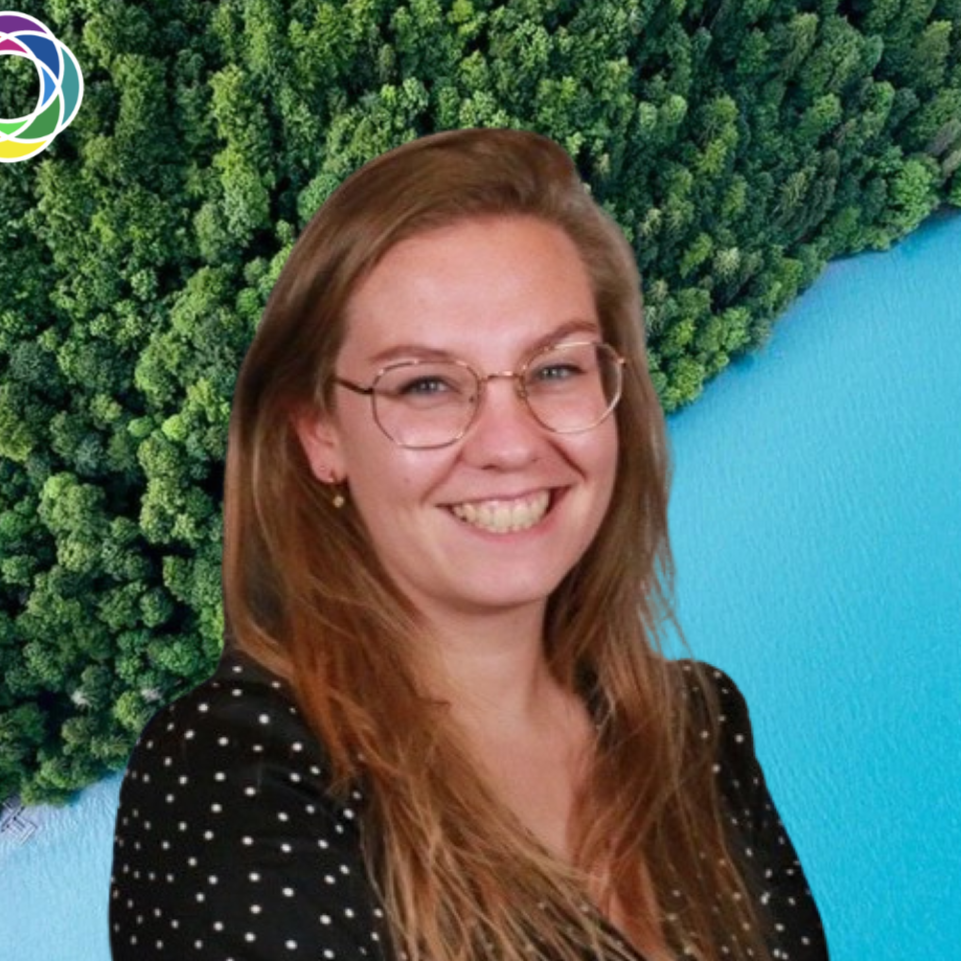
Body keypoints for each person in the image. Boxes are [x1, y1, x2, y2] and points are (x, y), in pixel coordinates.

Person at [109, 128, 829, 961]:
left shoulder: (698, 731)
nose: (510, 443)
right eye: (425, 384)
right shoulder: (232, 772)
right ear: (318, 434)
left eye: (554, 369)